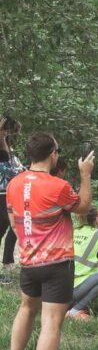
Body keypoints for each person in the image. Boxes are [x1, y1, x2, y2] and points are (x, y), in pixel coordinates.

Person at [2, 133, 94, 350]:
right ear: (53, 153)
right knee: (51, 322)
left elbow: (14, 221)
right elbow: (83, 208)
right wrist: (85, 174)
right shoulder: (58, 186)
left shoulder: (14, 183)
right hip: (56, 263)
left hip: (28, 262)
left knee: (26, 309)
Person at [0, 115, 24, 284]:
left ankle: (7, 265)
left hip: (9, 195)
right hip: (2, 195)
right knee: (14, 228)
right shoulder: (3, 153)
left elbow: (18, 168)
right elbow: (11, 170)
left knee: (8, 229)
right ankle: (7, 265)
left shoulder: (11, 152)